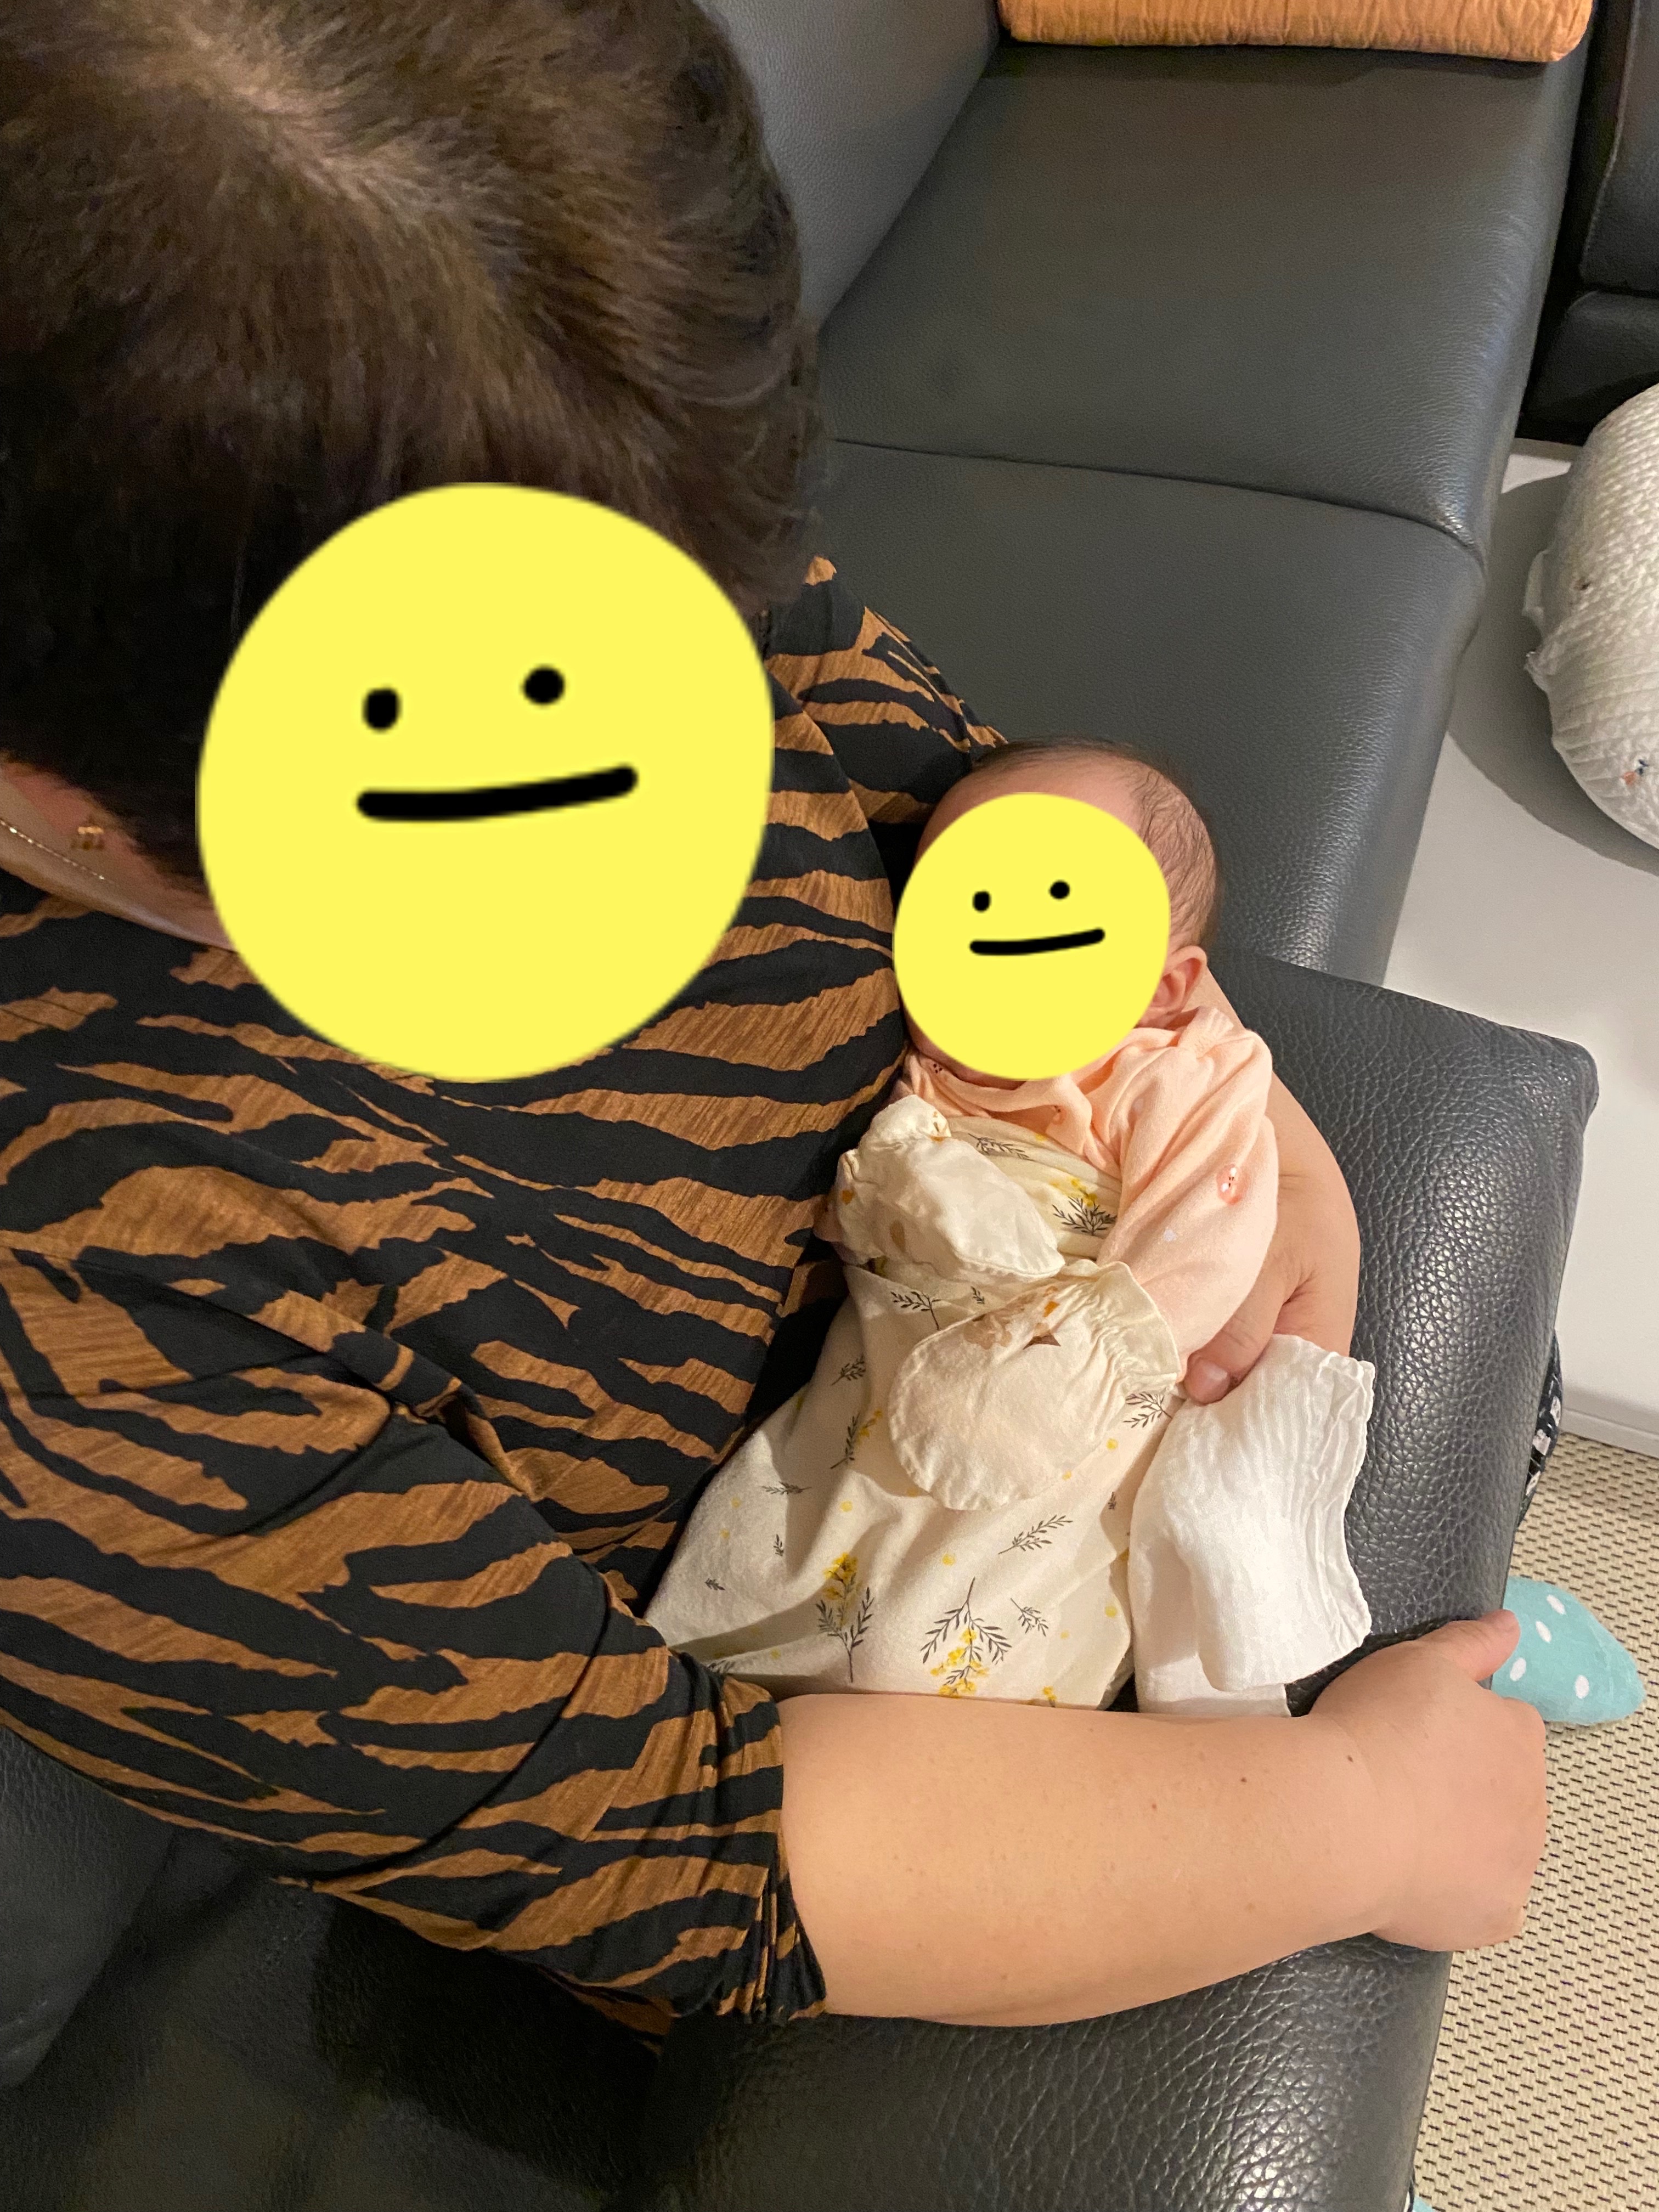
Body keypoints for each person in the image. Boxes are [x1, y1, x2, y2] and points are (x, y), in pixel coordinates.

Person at [0, 0, 1545, 2049]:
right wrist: (1350, 1823)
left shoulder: (546, 461)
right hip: (840, 1641)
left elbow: (955, 784)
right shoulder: (79, 1289)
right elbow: (688, 1851)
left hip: (1062, 1267)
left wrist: (1192, 1078)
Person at [647, 738, 1375, 1720]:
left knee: (939, 1633)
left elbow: (1209, 1232)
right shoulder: (922, 1073)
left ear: (1165, 988)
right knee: (783, 1558)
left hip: (1070, 1393)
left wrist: (1094, 1346)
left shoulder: (1171, 1075)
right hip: (875, 1399)